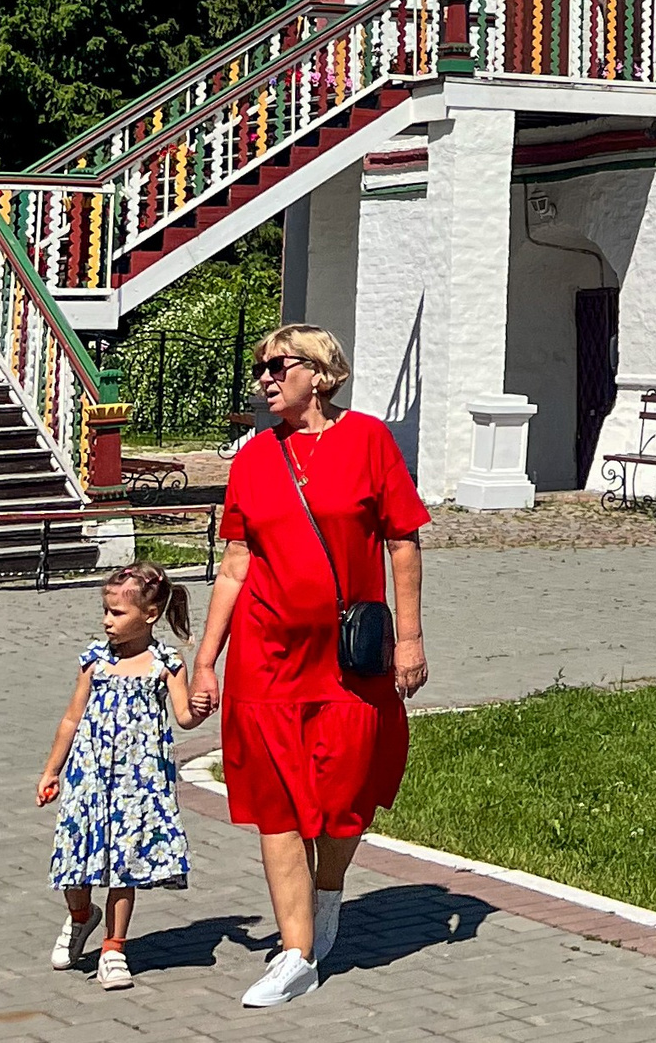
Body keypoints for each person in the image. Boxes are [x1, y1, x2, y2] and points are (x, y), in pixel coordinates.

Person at [187, 324, 429, 1011]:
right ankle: (295, 953)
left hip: (349, 657)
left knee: (347, 794)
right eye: (258, 366)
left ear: (320, 374)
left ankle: (327, 889)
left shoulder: (369, 441)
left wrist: (408, 639)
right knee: (279, 801)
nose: (263, 376)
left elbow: (402, 542)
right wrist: (206, 659)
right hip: (266, 657)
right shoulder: (253, 458)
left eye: (276, 364)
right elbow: (236, 563)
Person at [35, 560, 202, 988]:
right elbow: (72, 719)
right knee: (75, 866)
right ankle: (81, 916)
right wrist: (52, 770)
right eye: (106, 611)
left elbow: (183, 716)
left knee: (123, 867)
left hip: (137, 786)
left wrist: (199, 710)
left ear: (149, 615)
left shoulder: (166, 662)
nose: (107, 621)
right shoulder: (94, 661)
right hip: (87, 782)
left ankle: (114, 948)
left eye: (117, 613)